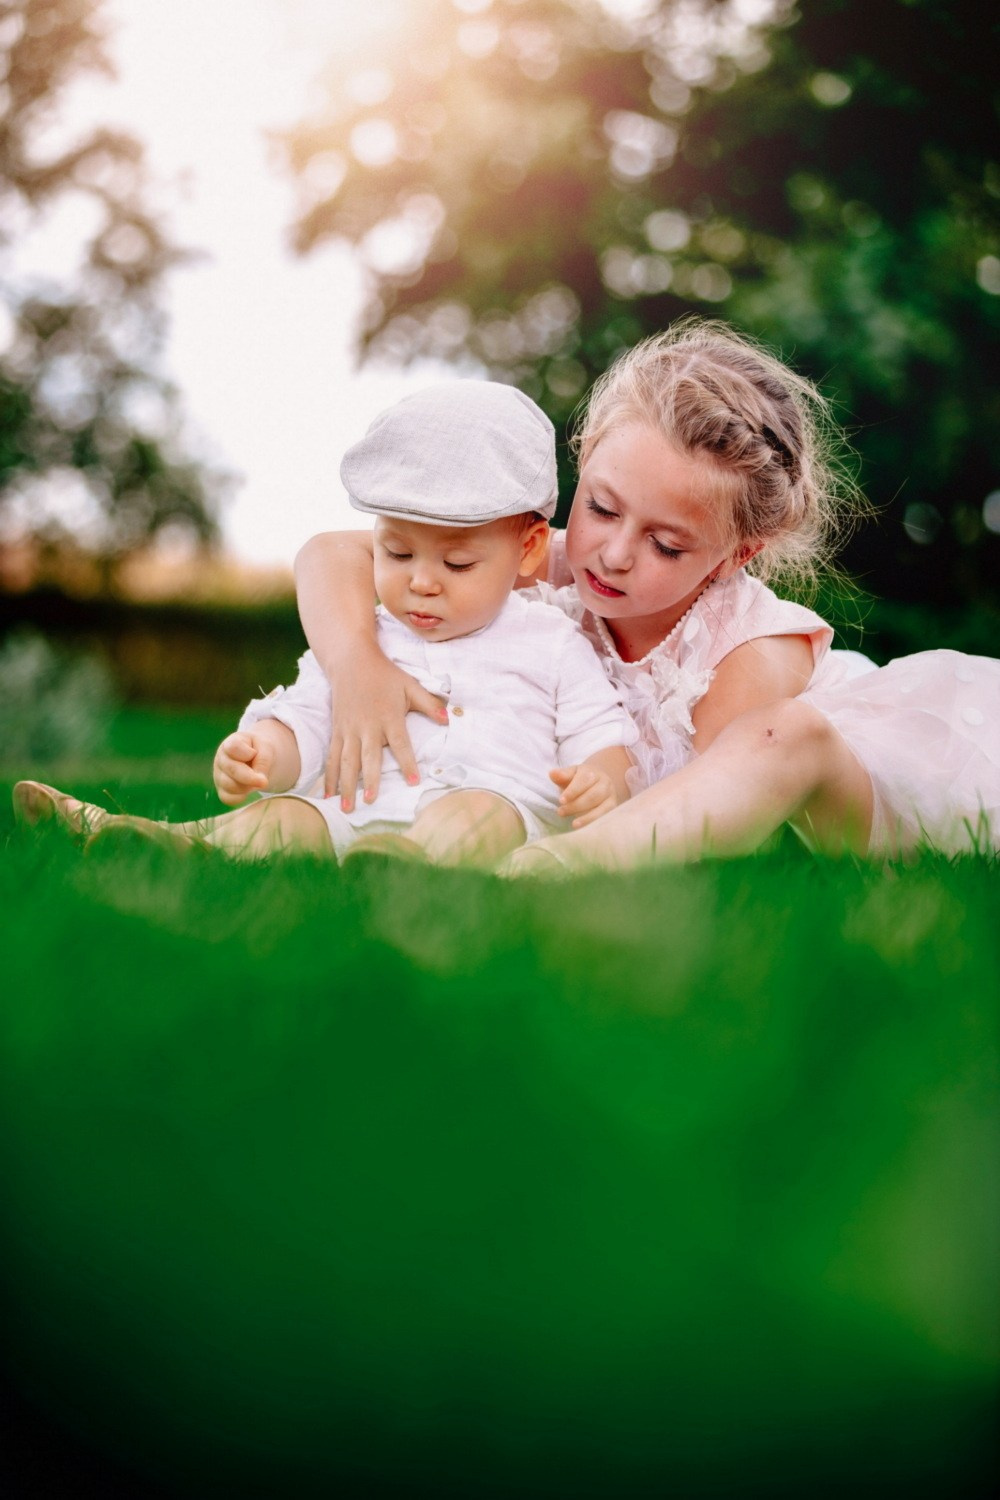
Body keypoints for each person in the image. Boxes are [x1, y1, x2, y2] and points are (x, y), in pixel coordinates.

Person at [292, 318, 1000, 873]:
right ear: (589, 449)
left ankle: (553, 868)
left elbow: (715, 817)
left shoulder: (750, 651)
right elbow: (331, 554)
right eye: (601, 508)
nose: (615, 553)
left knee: (787, 734)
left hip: (867, 793)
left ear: (737, 555)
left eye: (667, 546)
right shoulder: (555, 559)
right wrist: (359, 670)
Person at [13, 382, 635, 868]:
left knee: (478, 816)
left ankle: (412, 865)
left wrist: (600, 780)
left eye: (457, 562)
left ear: (528, 550)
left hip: (499, 804)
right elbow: (309, 718)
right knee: (284, 818)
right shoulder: (364, 636)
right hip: (353, 814)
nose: (421, 580)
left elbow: (599, 732)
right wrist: (265, 755)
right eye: (395, 553)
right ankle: (163, 839)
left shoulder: (551, 642)